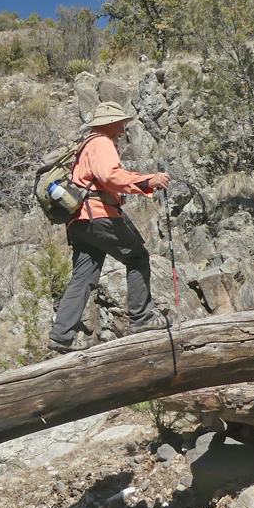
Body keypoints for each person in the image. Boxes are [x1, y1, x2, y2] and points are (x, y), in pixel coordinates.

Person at [47, 102, 170, 353]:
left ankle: (61, 334)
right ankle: (141, 318)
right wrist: (148, 180)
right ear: (109, 123)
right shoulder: (101, 143)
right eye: (120, 123)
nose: (123, 128)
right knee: (137, 257)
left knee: (83, 277)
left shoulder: (84, 145)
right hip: (98, 217)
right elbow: (110, 176)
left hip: (78, 222)